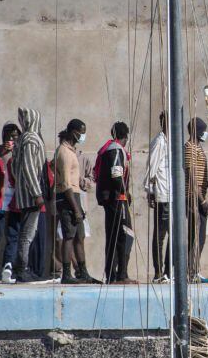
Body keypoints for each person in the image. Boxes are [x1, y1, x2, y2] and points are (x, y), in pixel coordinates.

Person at [54, 119, 95, 284]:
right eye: (81, 132)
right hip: (67, 197)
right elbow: (65, 183)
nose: (82, 136)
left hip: (76, 196)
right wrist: (75, 208)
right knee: (69, 236)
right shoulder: (63, 152)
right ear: (72, 131)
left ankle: (83, 272)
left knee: (80, 235)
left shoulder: (72, 151)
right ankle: (66, 274)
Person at [95, 121, 134, 284]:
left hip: (111, 199)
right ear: (125, 136)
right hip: (117, 199)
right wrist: (125, 192)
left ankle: (112, 274)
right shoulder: (116, 150)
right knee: (124, 236)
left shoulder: (108, 148)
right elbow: (116, 175)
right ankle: (120, 275)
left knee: (114, 236)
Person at [11, 108, 47, 283]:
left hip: (25, 194)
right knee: (27, 234)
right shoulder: (31, 139)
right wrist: (36, 192)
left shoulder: (22, 139)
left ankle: (24, 268)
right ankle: (22, 269)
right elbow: (29, 167)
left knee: (28, 232)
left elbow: (14, 168)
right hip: (31, 196)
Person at [185, 117, 208, 283]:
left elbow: (199, 176)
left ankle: (194, 269)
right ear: (197, 130)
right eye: (203, 130)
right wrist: (201, 200)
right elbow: (191, 175)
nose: (205, 133)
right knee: (196, 235)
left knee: (200, 235)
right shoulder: (190, 148)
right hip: (193, 197)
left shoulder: (197, 148)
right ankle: (191, 271)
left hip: (199, 195)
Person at [143, 112, 171, 283]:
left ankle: (168, 270)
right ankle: (158, 272)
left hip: (171, 194)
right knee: (160, 235)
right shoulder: (159, 142)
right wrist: (150, 191)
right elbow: (151, 168)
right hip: (162, 194)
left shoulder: (170, 141)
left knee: (172, 235)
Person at [0, 122, 20, 283]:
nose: (12, 139)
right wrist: (3, 151)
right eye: (9, 136)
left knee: (13, 234)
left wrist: (16, 152)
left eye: (15, 136)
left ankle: (8, 266)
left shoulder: (20, 152)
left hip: (14, 199)